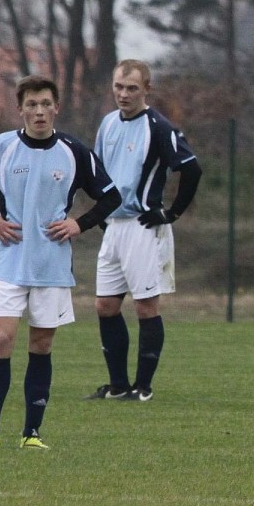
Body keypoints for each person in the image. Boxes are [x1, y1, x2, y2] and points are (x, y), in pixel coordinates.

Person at [0, 74, 121, 450]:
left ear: (56, 107)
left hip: (52, 266)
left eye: (45, 104)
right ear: (20, 109)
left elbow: (111, 197)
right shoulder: (1, 147)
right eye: (32, 105)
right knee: (3, 338)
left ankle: (31, 433)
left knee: (41, 344)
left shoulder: (74, 151)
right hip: (9, 262)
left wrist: (80, 223)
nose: (39, 111)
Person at [85, 59, 202, 402]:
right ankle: (118, 386)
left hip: (142, 226)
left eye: (132, 88)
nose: (124, 94)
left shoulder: (159, 127)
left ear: (147, 89)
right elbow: (99, 174)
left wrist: (173, 213)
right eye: (119, 87)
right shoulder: (108, 124)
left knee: (146, 307)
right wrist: (101, 213)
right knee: (105, 305)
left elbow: (192, 169)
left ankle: (143, 387)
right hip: (114, 228)